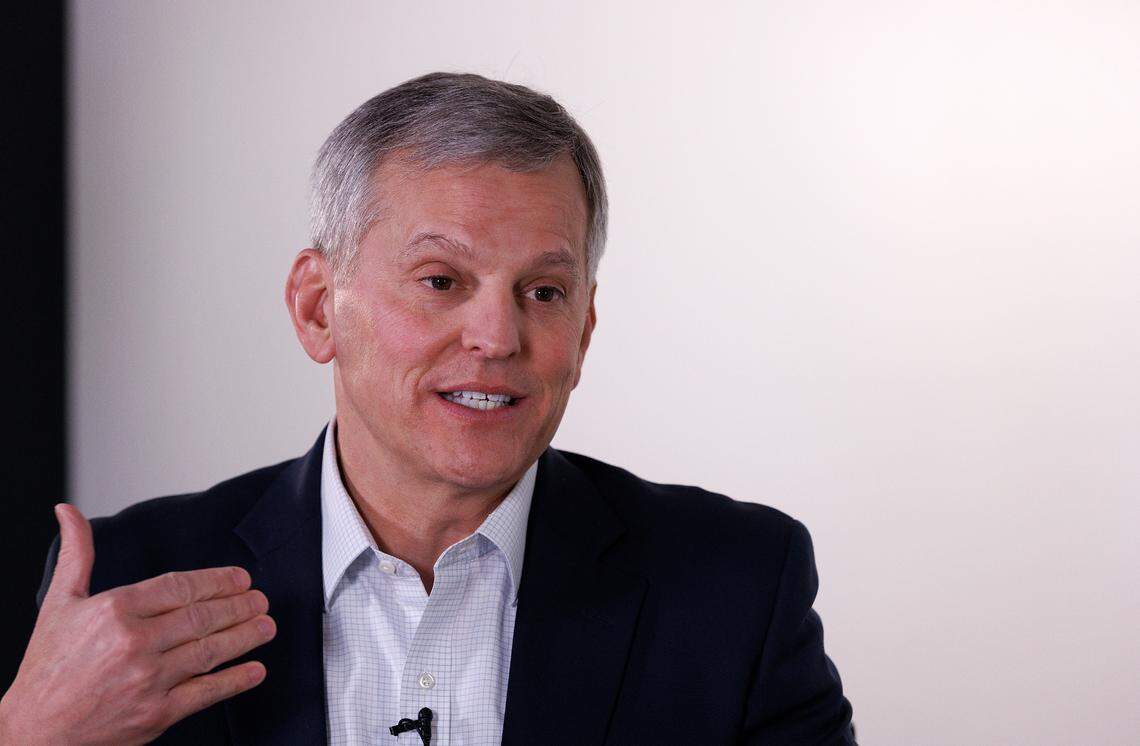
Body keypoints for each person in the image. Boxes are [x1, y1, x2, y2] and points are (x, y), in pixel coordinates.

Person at [0, 73, 855, 745]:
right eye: (441, 282)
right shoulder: (129, 583)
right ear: (315, 306)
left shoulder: (735, 586)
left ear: (585, 331)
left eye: (544, 291)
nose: (497, 335)